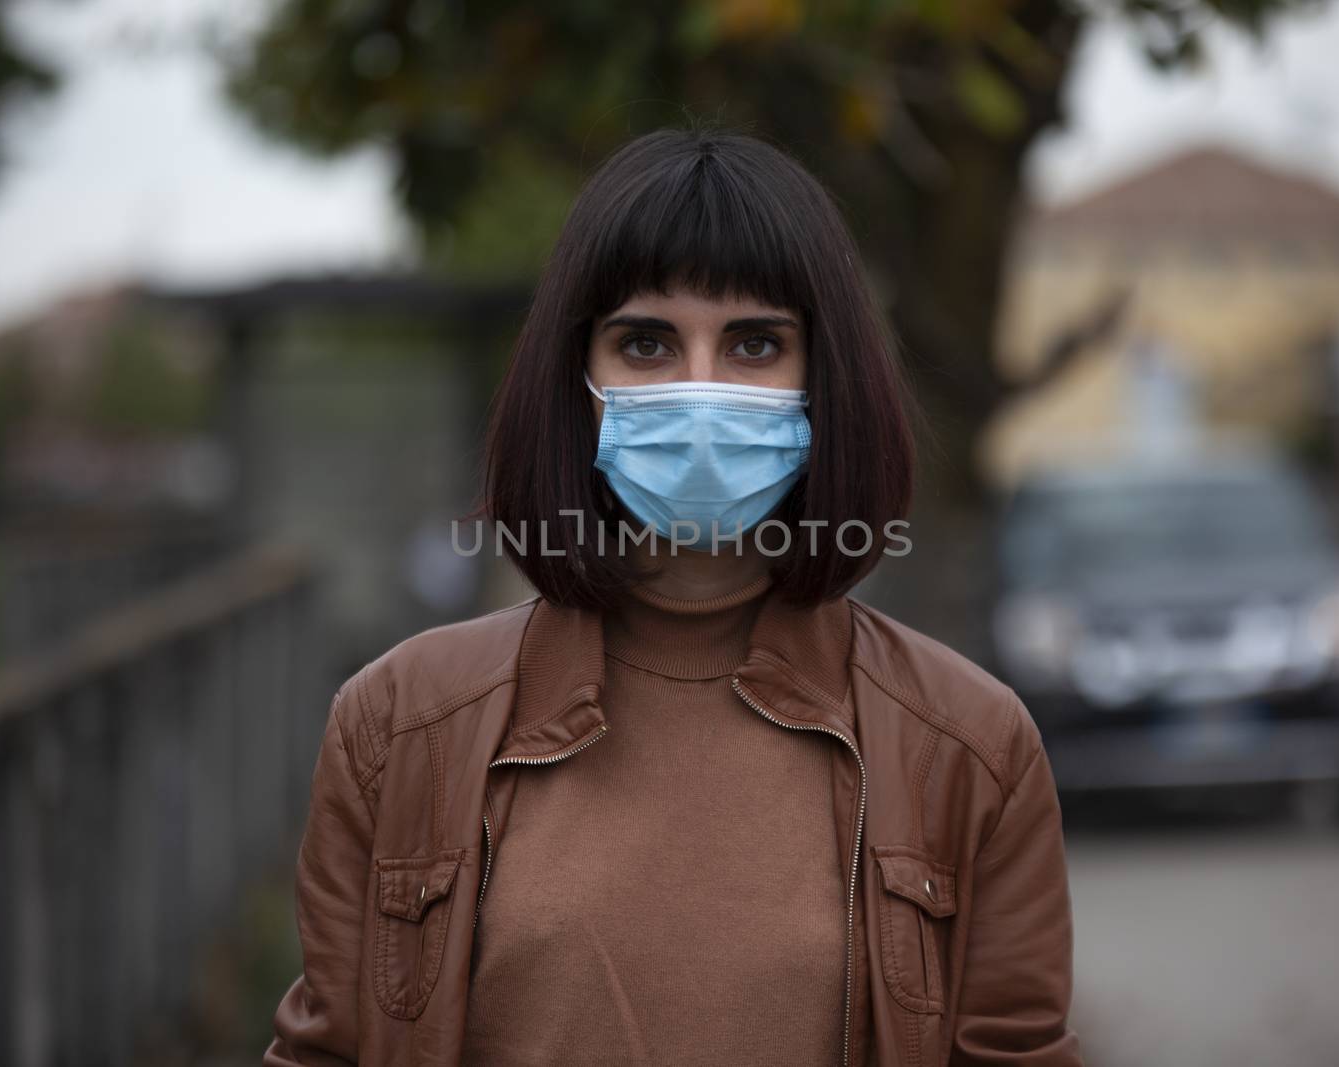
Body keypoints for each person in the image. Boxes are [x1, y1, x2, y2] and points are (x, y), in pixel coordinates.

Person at [266, 127, 1083, 1067]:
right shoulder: (398, 725)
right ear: (578, 381)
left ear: (827, 380)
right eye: (646, 342)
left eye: (755, 343)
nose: (701, 391)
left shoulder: (971, 745)